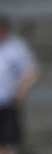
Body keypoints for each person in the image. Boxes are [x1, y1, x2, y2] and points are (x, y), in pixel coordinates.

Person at [0, 15, 38, 146]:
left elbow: (31, 71)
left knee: (8, 144)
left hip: (7, 103)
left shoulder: (16, 47)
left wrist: (21, 92)